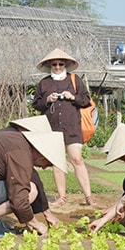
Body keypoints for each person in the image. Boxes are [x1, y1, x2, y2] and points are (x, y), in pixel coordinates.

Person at [32, 48, 97, 206]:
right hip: (52, 128)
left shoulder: (75, 80)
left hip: (72, 127)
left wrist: (72, 97)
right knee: (57, 162)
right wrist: (47, 99)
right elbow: (37, 105)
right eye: (54, 64)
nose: (58, 66)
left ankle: (88, 196)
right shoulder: (44, 83)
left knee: (77, 159)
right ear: (49, 65)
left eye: (61, 64)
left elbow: (86, 101)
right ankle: (61, 197)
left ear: (66, 64)